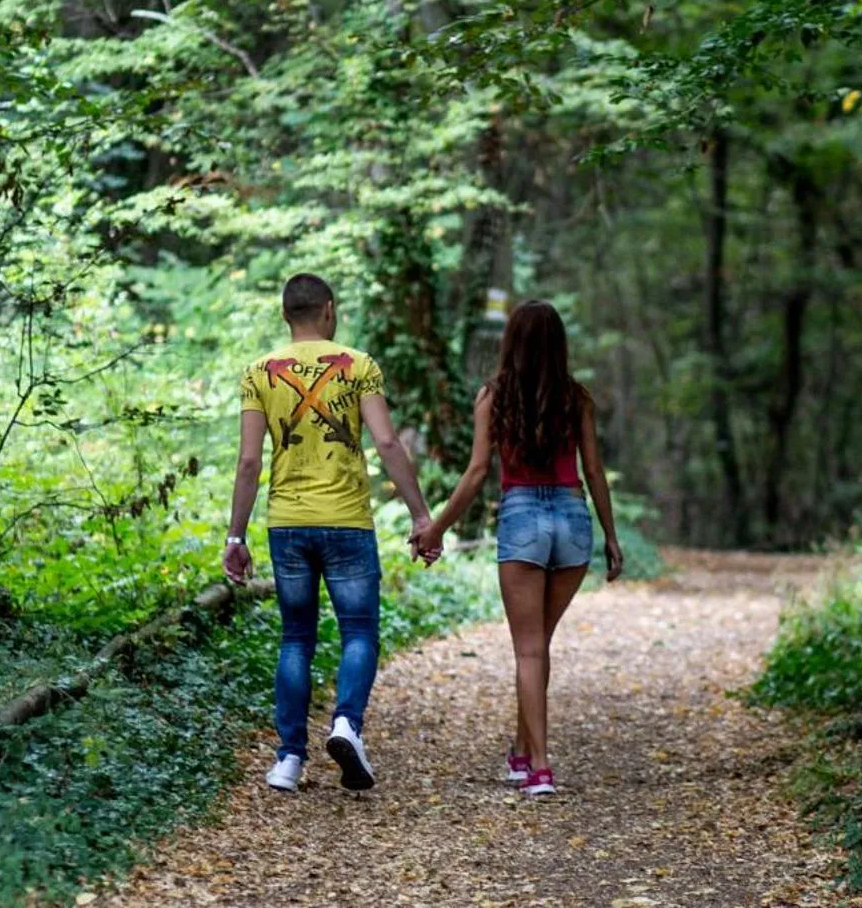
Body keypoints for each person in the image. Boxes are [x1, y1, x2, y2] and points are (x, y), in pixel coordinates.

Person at [222, 273, 440, 794]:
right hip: (346, 522)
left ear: (285, 316)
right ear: (328, 310)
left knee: (296, 637)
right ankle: (346, 724)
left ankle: (288, 761)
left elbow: (250, 461)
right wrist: (421, 516)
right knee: (359, 632)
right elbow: (387, 444)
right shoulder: (358, 365)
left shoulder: (260, 372)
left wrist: (235, 537)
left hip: (288, 524)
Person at [413, 299, 622, 797]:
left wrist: (438, 527)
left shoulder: (494, 396)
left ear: (511, 342)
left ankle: (541, 768)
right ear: (559, 345)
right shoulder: (577, 398)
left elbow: (478, 471)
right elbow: (593, 470)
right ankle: (522, 750)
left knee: (529, 650)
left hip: (523, 517)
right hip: (572, 520)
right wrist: (610, 536)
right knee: (539, 645)